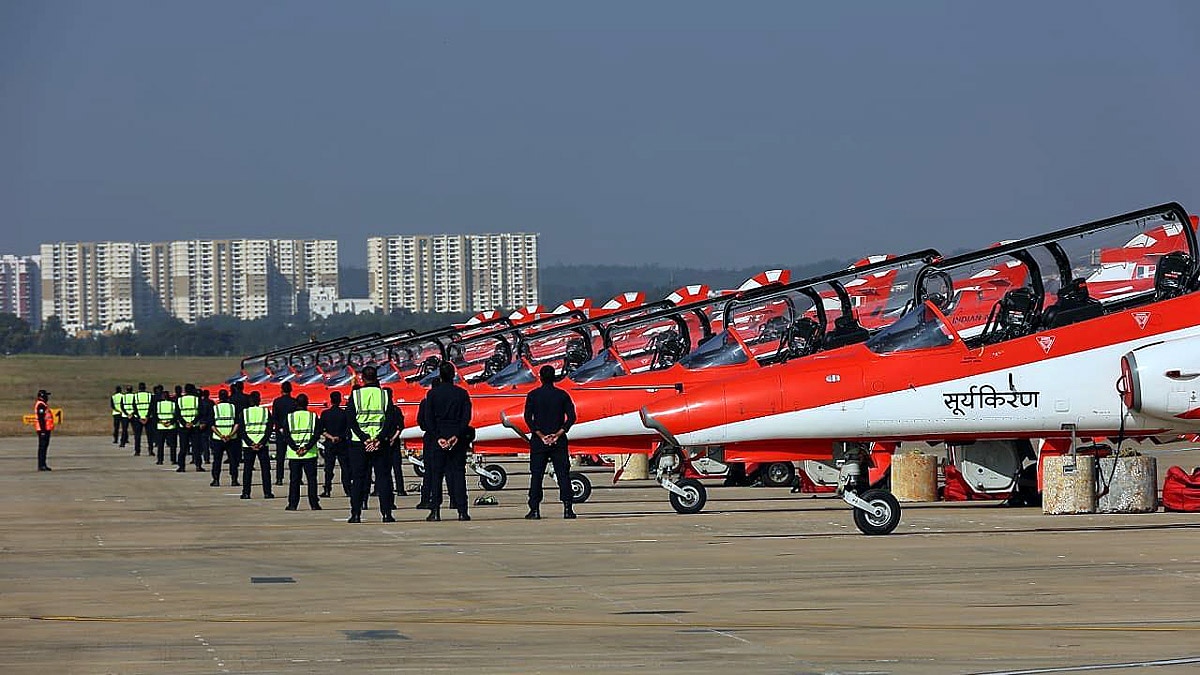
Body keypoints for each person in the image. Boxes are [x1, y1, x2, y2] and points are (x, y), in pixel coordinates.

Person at [417, 362, 472, 522]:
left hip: (438, 438)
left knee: (436, 476)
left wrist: (438, 437)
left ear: (440, 376)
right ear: (453, 375)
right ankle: (462, 511)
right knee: (458, 475)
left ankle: (435, 511)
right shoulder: (462, 394)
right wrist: (456, 435)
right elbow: (466, 417)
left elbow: (428, 419)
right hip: (457, 439)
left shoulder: (432, 395)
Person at [523, 365, 578, 519]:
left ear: (540, 377)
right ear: (554, 377)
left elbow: (528, 418)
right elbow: (572, 417)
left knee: (536, 476)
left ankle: (534, 509)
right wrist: (559, 433)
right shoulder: (562, 395)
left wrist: (540, 435)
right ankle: (568, 508)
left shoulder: (533, 395)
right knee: (563, 475)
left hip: (539, 441)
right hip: (558, 441)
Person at [345, 366, 397, 523]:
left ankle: (356, 514)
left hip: (359, 443)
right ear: (377, 377)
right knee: (383, 478)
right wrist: (379, 438)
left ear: (362, 378)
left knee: (358, 479)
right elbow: (390, 420)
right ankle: (387, 514)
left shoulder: (356, 395)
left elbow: (351, 420)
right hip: (380, 443)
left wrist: (364, 438)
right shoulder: (384, 395)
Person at [284, 393, 322, 511]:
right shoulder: (313, 417)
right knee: (312, 480)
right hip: (309, 454)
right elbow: (317, 434)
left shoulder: (289, 417)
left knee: (294, 480)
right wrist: (306, 447)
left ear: (296, 403)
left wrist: (296, 448)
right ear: (307, 403)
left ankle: (292, 504)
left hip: (294, 454)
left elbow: (286, 435)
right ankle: (314, 504)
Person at [239, 391, 275, 499]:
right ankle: (267, 492)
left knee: (247, 470)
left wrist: (250, 443)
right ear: (259, 401)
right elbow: (269, 428)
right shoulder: (265, 411)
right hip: (262, 445)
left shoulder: (244, 412)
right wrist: (262, 442)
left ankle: (246, 493)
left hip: (248, 445)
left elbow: (242, 430)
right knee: (265, 470)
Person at [319, 390, 351, 498]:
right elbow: (348, 430)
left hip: (330, 443)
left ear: (331, 400)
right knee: (345, 468)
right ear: (340, 400)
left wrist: (331, 437)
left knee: (328, 468)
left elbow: (321, 430)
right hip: (342, 443)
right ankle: (348, 489)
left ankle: (327, 489)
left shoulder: (325, 413)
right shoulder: (344, 414)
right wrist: (339, 437)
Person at [209, 389, 241, 487]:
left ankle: (216, 480)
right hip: (232, 438)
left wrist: (220, 435)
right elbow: (237, 424)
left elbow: (212, 425)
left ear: (219, 397)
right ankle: (234, 480)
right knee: (233, 460)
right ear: (228, 396)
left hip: (218, 439)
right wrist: (230, 435)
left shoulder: (215, 408)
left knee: (217, 460)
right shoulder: (233, 407)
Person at [271, 382, 298, 486]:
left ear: (281, 390)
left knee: (280, 456)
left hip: (280, 432)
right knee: (294, 456)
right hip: (291, 432)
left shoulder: (277, 402)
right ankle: (296, 477)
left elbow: (274, 417)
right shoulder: (294, 402)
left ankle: (279, 478)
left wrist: (280, 428)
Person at [384, 388, 409, 497]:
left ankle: (385, 489)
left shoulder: (382, 410)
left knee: (384, 469)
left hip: (384, 441)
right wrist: (394, 438)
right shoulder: (396, 410)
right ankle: (400, 489)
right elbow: (400, 426)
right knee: (397, 468)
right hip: (394, 441)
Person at [176, 384, 204, 473]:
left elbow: (177, 414)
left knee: (183, 448)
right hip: (194, 426)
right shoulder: (197, 399)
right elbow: (200, 412)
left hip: (183, 427)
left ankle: (181, 466)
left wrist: (185, 423)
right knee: (196, 448)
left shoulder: (180, 400)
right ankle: (198, 466)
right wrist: (193, 422)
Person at [154, 389, 179, 467]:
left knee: (160, 445)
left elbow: (155, 415)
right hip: (171, 426)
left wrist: (161, 422)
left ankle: (160, 460)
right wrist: (171, 422)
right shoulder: (173, 404)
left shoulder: (158, 404)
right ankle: (173, 460)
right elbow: (176, 415)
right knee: (173, 445)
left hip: (161, 426)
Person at [130, 382, 154, 458]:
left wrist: (139, 417)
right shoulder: (149, 395)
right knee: (150, 436)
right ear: (145, 388)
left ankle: (137, 451)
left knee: (137, 436)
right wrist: (147, 417)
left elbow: (134, 407)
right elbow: (152, 407)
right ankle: (150, 451)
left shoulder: (135, 396)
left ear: (139, 388)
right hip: (148, 418)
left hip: (138, 419)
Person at [34, 389, 54, 471]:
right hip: (43, 429)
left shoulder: (43, 404)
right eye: (46, 395)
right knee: (42, 447)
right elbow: (41, 419)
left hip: (46, 429)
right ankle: (41, 465)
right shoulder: (40, 405)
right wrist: (43, 431)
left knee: (44, 447)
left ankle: (43, 464)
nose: (47, 397)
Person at [198, 389, 214, 465]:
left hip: (201, 424)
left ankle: (204, 458)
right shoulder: (211, 402)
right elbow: (212, 414)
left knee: (203, 443)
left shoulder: (200, 403)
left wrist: (201, 423)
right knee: (209, 442)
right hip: (209, 424)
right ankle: (209, 456)